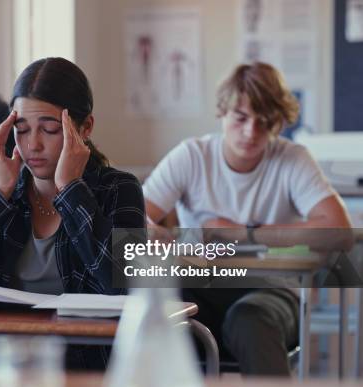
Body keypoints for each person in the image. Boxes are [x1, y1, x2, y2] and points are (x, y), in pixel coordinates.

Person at [0, 57, 146, 368]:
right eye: (21, 130)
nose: (33, 145)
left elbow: (126, 286)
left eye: (49, 129)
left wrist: (71, 191)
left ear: (86, 127)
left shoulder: (118, 189)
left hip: (82, 360)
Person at [143, 62, 352, 375]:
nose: (251, 131)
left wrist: (245, 233)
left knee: (251, 319)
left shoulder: (292, 158)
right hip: (203, 288)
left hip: (273, 291)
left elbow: (340, 232)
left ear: (278, 122)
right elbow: (133, 219)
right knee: (160, 308)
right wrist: (161, 234)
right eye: (241, 117)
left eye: (264, 121)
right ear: (223, 113)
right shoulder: (192, 156)